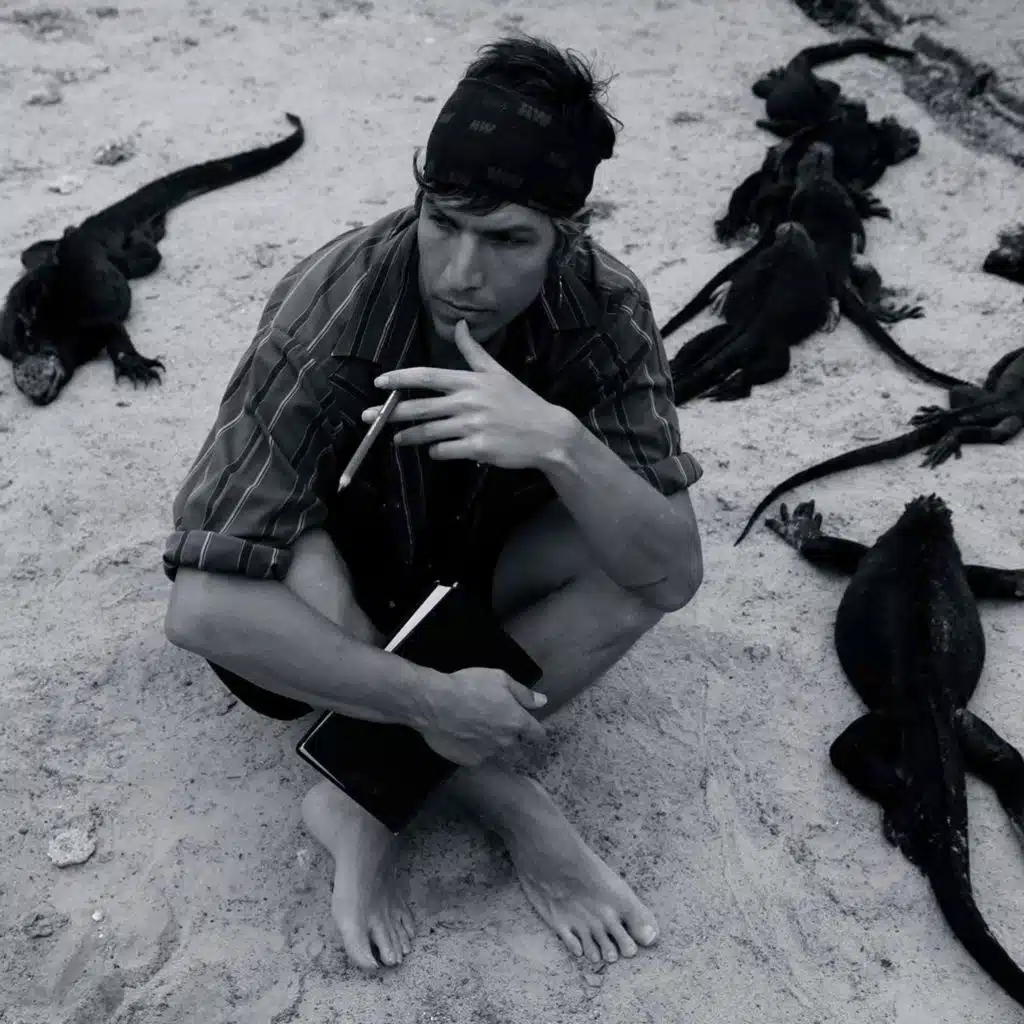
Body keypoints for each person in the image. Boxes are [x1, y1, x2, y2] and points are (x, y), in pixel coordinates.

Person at [162, 34, 704, 972]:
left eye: (508, 239)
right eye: (443, 221)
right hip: (335, 594)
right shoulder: (332, 310)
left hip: (471, 573)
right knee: (300, 559)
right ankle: (490, 797)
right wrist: (430, 700)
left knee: (624, 566)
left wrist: (561, 443)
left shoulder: (605, 306)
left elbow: (671, 574)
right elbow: (201, 608)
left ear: (569, 234)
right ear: (419, 199)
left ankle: (358, 797)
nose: (460, 273)